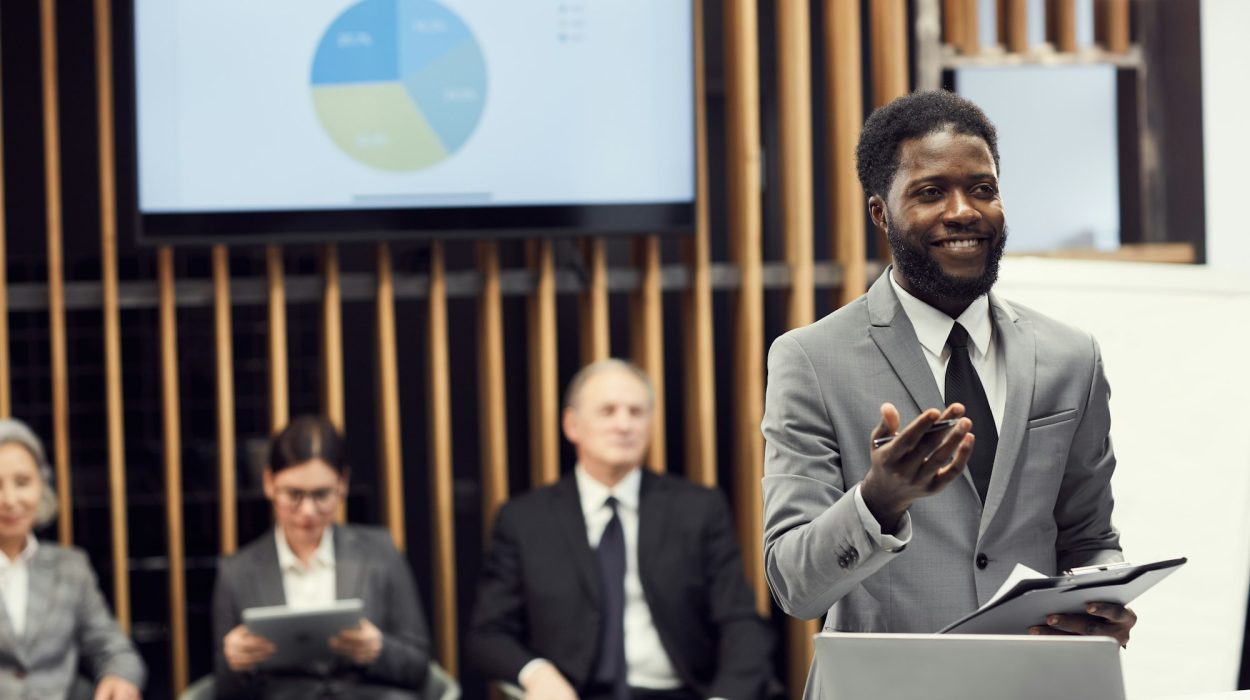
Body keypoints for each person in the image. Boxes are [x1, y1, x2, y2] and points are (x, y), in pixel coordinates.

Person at [761, 90, 1135, 695]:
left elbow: (1090, 539)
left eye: (982, 188)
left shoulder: (1071, 356)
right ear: (881, 213)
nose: (964, 211)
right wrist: (879, 500)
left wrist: (1104, 599)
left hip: (1039, 686)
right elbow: (794, 586)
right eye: (931, 192)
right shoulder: (809, 359)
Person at [467, 359, 774, 700]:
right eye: (608, 411)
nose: (624, 424)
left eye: (636, 412)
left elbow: (741, 623)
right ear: (572, 425)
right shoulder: (524, 520)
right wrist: (537, 673)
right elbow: (488, 635)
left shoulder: (697, 509)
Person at [212, 415, 430, 699]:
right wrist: (237, 662)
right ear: (269, 483)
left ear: (343, 484)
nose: (308, 511)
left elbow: (418, 664)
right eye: (293, 495)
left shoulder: (379, 552)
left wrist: (378, 649)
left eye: (322, 495)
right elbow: (224, 691)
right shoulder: (237, 572)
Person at [0, 418, 145, 700]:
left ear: (42, 486)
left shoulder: (71, 567)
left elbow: (113, 648)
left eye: (22, 482)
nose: (10, 499)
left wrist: (120, 677)